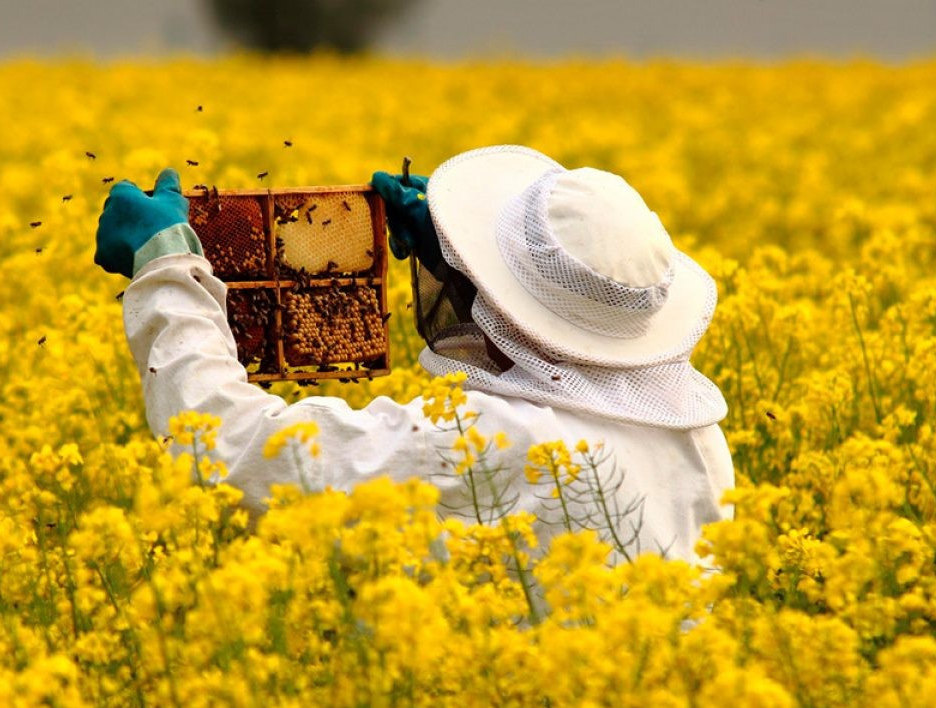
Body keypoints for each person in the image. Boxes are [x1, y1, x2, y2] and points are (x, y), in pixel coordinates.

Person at [95, 145, 732, 564]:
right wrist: (454, 258)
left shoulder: (488, 441)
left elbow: (224, 449)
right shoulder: (695, 440)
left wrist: (167, 267)